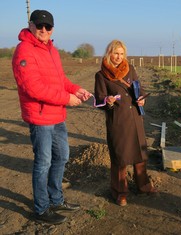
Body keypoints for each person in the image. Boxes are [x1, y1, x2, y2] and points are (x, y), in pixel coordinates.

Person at [12, 10, 91, 224]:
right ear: (30, 25)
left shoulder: (51, 50)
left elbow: (60, 80)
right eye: (39, 26)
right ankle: (41, 208)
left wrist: (76, 89)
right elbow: (33, 88)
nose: (44, 30)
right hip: (40, 117)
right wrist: (66, 99)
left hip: (56, 115)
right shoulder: (24, 51)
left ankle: (56, 199)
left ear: (52, 29)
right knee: (43, 162)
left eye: (48, 27)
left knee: (62, 157)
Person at [94, 40, 157, 207]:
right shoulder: (101, 75)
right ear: (109, 54)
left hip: (135, 118)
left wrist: (142, 99)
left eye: (122, 54)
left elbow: (138, 89)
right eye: (116, 53)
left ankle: (143, 186)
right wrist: (107, 100)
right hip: (118, 121)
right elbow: (99, 100)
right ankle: (120, 192)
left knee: (140, 155)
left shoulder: (131, 69)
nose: (119, 57)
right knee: (120, 157)